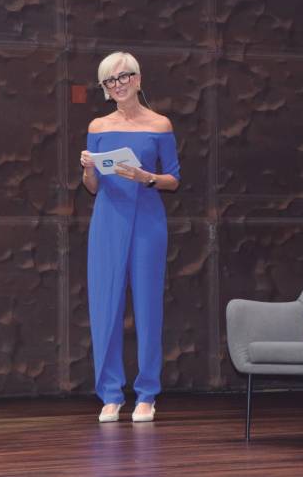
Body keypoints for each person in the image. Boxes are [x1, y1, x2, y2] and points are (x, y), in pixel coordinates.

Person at [80, 52, 181, 423]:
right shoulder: (98, 125)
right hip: (107, 218)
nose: (118, 84)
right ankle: (109, 393)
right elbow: (91, 188)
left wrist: (146, 178)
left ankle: (147, 393)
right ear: (105, 89)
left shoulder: (160, 125)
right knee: (104, 306)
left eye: (124, 77)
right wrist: (88, 169)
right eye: (110, 80)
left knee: (148, 306)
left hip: (148, 218)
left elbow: (172, 177)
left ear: (138, 79)